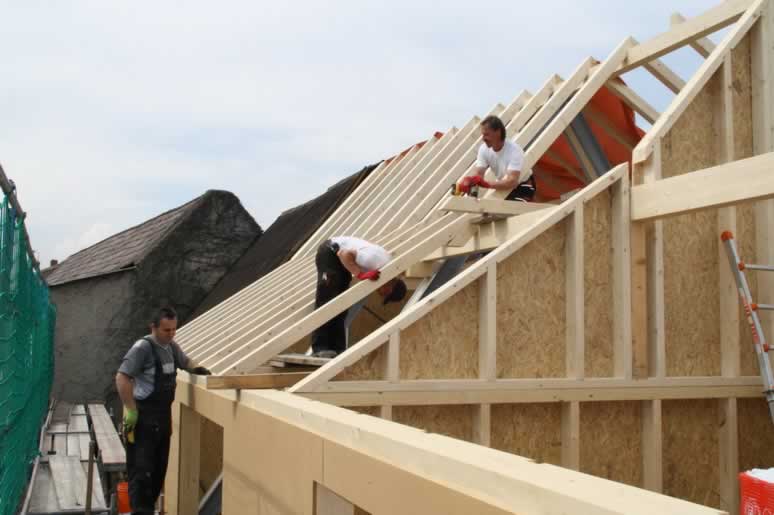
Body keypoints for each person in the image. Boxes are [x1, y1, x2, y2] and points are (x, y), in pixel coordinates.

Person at [115, 306, 211, 515]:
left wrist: (199, 370)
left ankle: (148, 510)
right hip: (143, 419)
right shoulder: (142, 348)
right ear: (153, 327)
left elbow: (185, 362)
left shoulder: (171, 347)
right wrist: (131, 409)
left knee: (158, 472)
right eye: (167, 330)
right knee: (141, 473)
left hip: (162, 419)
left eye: (174, 329)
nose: (171, 334)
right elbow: (122, 377)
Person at [312, 236, 407, 358]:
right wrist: (360, 274)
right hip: (330, 253)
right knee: (327, 297)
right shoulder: (374, 261)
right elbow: (343, 254)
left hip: (341, 261)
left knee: (341, 304)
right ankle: (320, 347)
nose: (380, 294)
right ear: (391, 288)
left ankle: (338, 348)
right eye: (385, 294)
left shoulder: (384, 268)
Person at [457, 115, 536, 201]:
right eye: (483, 135)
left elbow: (512, 181)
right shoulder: (484, 149)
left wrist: (486, 184)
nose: (483, 138)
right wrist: (471, 187)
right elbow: (478, 174)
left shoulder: (514, 150)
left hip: (523, 186)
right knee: (488, 208)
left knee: (507, 209)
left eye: (486, 134)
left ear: (498, 132)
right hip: (503, 187)